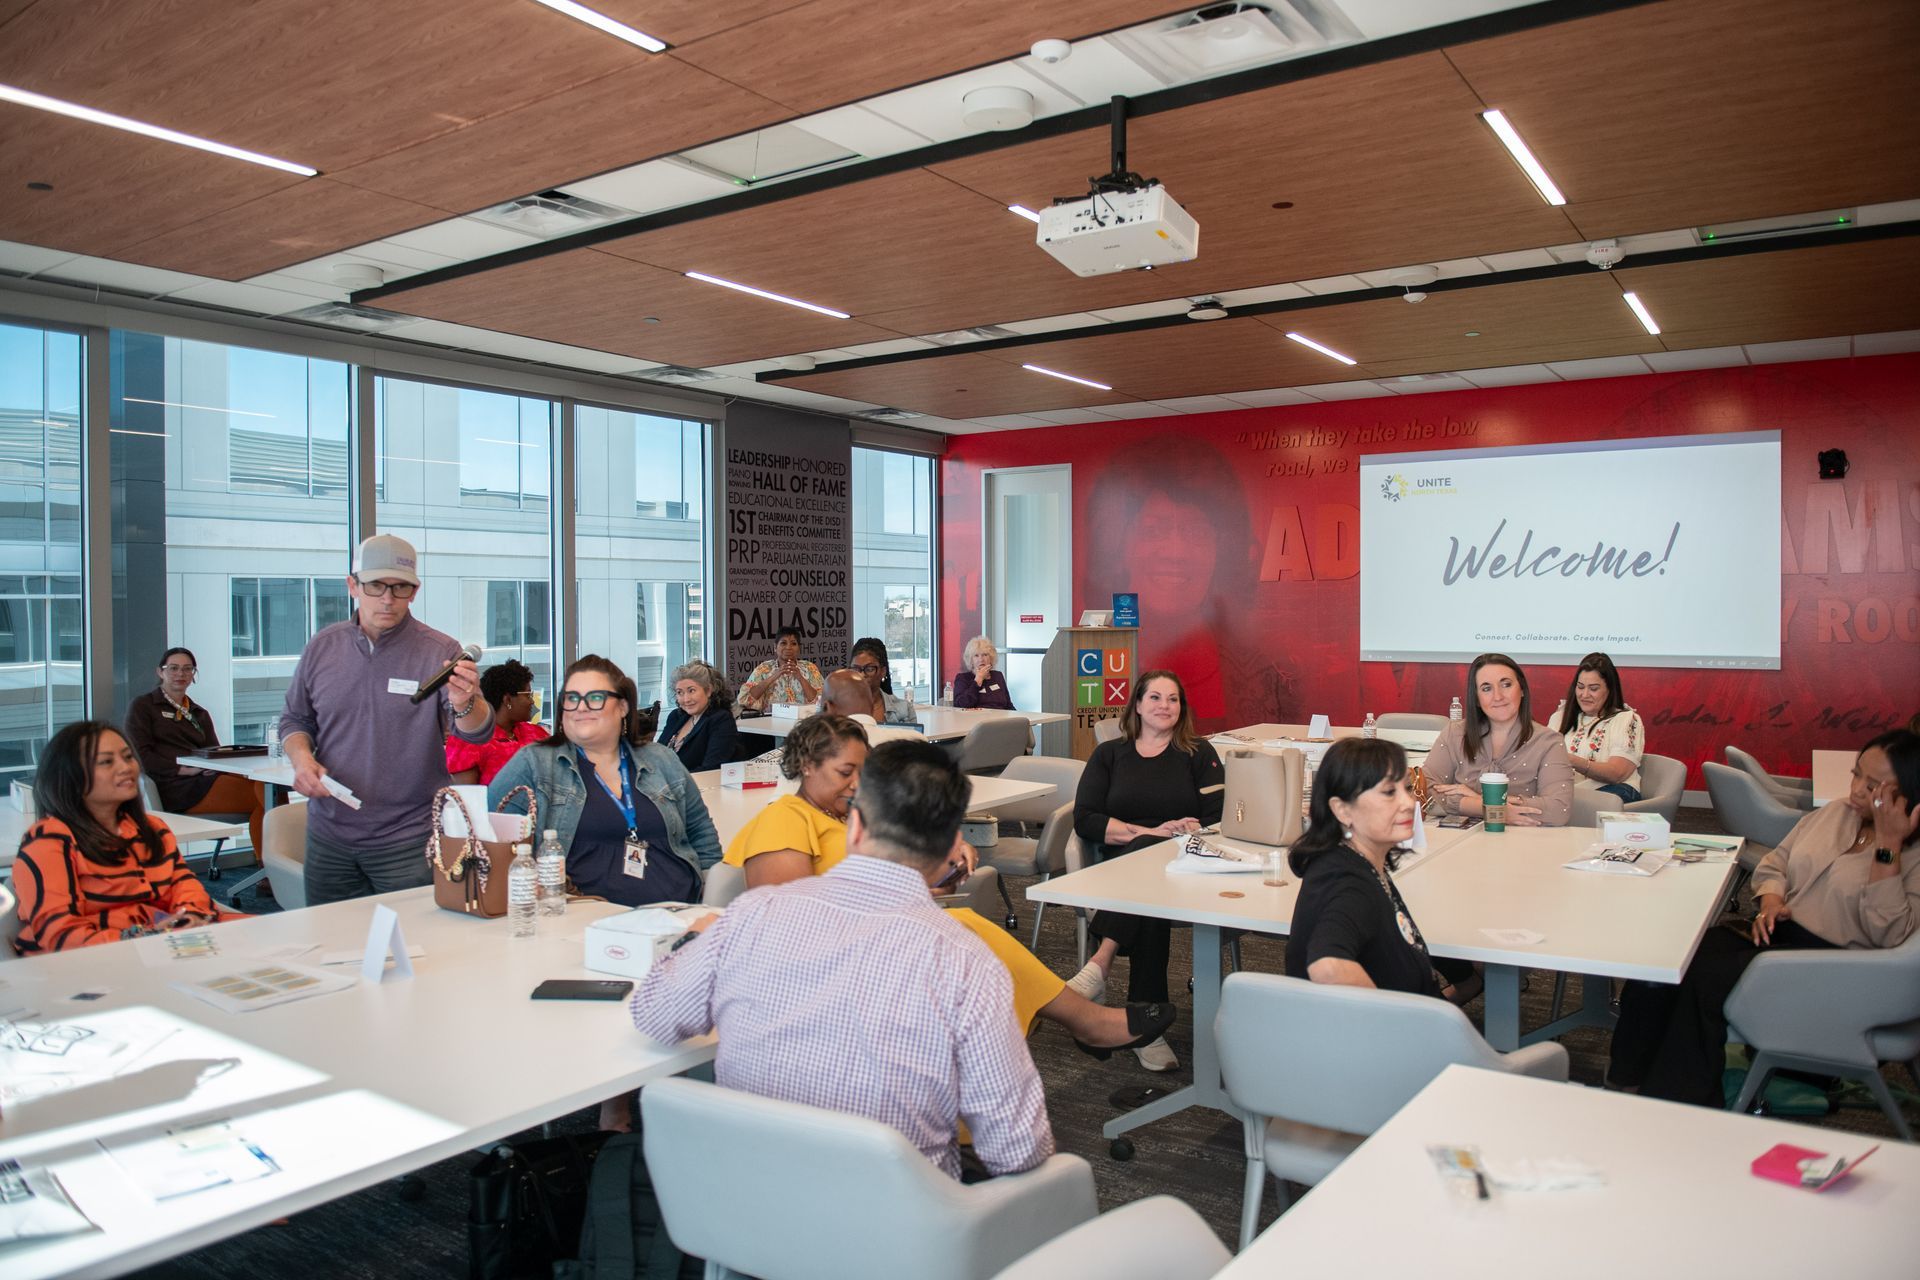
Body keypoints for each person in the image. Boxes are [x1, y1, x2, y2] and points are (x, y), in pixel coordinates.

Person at [631, 739, 1054, 1181]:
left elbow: (655, 1017)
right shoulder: (966, 962)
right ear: (952, 845)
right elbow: (1017, 1148)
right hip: (901, 1231)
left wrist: (692, 944)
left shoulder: (753, 914)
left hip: (742, 1212)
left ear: (854, 828)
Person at [722, 716, 1172, 1061]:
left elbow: (877, 884)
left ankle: (1062, 1029)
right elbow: (786, 919)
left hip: (879, 939)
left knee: (966, 931)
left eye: (864, 773)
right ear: (805, 765)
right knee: (968, 931)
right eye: (845, 771)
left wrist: (931, 875)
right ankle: (1082, 1023)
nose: (857, 784)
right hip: (836, 955)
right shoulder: (784, 819)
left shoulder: (848, 817)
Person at [1609, 729, 1920, 1106]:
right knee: (1667, 957)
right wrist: (1772, 900)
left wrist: (1887, 846)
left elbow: (1889, 934)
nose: (1856, 790)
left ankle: (1682, 1103)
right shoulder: (1837, 813)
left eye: (1875, 787)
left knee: (1703, 983)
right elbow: (1778, 861)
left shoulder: (1911, 856)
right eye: (1856, 775)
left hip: (1843, 964)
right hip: (1781, 933)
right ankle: (1628, 1081)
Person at [279, 534, 493, 906]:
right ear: (353, 586)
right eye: (377, 585)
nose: (388, 598)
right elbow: (295, 719)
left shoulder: (440, 651)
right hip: (329, 836)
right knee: (332, 949)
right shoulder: (322, 647)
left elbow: (477, 732)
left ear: (415, 591)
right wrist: (302, 759)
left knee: (415, 953)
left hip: (409, 840)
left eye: (400, 587)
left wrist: (466, 701)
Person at [1073, 670, 1225, 1072]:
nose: (1164, 706)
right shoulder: (1109, 755)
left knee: (1151, 870)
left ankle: (1100, 963)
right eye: (1155, 697)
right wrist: (1149, 833)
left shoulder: (1199, 753)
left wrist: (1183, 831)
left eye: (1173, 699)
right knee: (1147, 882)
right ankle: (1148, 1025)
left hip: (1186, 864)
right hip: (1120, 867)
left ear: (1182, 708)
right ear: (1136, 704)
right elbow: (1085, 819)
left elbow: (1219, 820)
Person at [491, 655, 720, 908]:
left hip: (681, 915)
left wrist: (712, 902)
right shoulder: (535, 764)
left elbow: (701, 832)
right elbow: (489, 837)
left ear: (623, 707)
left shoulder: (660, 759)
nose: (581, 707)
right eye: (572, 698)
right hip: (587, 925)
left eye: (596, 698)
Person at [13, 721, 225, 953]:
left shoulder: (152, 829)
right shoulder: (49, 841)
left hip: (166, 944)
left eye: (128, 757)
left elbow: (185, 886)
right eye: (106, 762)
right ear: (71, 776)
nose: (126, 768)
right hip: (91, 960)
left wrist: (191, 917)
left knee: (262, 944)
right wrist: (142, 939)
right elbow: (60, 934)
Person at [1285, 738, 1452, 997]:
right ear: (1342, 810)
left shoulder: (1360, 862)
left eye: (1407, 789)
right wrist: (1391, 1019)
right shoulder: (1347, 882)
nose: (1408, 803)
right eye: (1389, 793)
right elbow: (1328, 967)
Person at [123, 646, 265, 855]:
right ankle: (273, 871)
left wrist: (211, 768)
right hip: (175, 787)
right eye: (173, 668)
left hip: (205, 780)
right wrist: (183, 770)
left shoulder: (199, 713)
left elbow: (216, 753)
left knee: (266, 789)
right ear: (160, 672)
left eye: (187, 669)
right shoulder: (144, 707)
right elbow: (139, 755)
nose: (180, 674)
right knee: (269, 801)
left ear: (193, 674)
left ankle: (271, 870)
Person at [1423, 653, 1573, 827]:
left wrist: (1475, 799)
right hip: (1460, 841)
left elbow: (1558, 810)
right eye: (1486, 688)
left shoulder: (1549, 742)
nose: (1498, 696)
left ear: (1522, 689)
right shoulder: (1454, 734)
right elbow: (1423, 790)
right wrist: (1488, 808)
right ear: (1477, 699)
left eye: (1506, 685)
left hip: (1524, 844)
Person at [1548, 652, 1646, 803]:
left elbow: (1617, 773)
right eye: (1580, 687)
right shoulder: (1560, 717)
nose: (1584, 694)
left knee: (1565, 802)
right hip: (1568, 791)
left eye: (1593, 688)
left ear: (1609, 689)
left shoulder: (1626, 719)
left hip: (1614, 791)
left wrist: (1571, 760)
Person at [446, 659, 549, 786]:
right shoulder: (470, 740)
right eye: (528, 695)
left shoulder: (537, 733)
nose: (532, 702)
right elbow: (467, 798)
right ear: (508, 700)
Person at [659, 660, 740, 772]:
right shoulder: (675, 716)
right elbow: (657, 756)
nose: (686, 699)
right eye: (680, 692)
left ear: (708, 691)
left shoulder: (721, 720)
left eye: (691, 691)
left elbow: (711, 769)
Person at [737, 627, 823, 711]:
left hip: (804, 722)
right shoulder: (764, 669)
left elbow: (820, 701)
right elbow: (745, 700)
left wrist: (800, 678)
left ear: (799, 648)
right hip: (770, 722)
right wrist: (775, 675)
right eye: (783, 643)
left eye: (793, 643)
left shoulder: (809, 668)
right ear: (775, 647)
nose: (788, 647)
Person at [848, 638, 919, 723]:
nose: (862, 675)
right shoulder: (839, 708)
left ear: (883, 672)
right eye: (855, 669)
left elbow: (914, 736)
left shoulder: (904, 709)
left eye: (869, 669)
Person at [953, 635, 1015, 710]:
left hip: (1000, 719)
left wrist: (1019, 718)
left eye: (985, 655)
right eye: (976, 656)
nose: (981, 659)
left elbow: (1008, 705)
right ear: (971, 660)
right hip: (976, 720)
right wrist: (978, 680)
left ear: (991, 658)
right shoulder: (963, 678)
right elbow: (960, 705)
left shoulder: (998, 676)